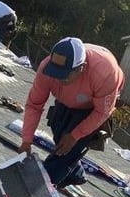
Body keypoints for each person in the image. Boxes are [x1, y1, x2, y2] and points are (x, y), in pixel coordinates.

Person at [18, 37, 125, 188]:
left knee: (68, 149)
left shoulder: (105, 73)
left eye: (63, 75)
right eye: (54, 72)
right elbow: (34, 105)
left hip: (92, 108)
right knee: (60, 136)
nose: (57, 78)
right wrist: (26, 141)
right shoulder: (46, 69)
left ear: (81, 68)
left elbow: (101, 112)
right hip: (67, 99)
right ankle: (76, 174)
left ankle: (42, 184)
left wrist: (75, 135)